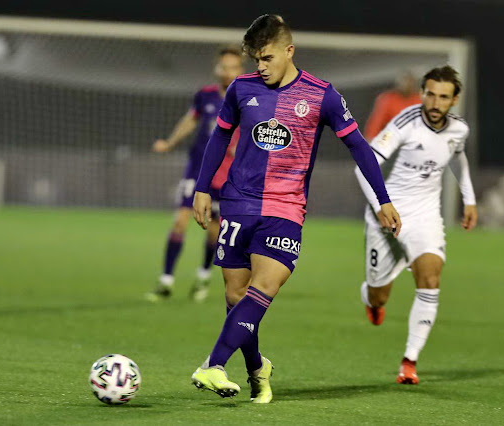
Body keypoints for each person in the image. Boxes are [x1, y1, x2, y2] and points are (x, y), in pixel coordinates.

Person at [190, 14, 401, 403]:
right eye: (256, 59)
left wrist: (383, 198)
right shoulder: (241, 89)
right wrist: (203, 190)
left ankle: (214, 364)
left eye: (267, 58)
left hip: (286, 209)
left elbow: (358, 147)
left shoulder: (322, 95)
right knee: (237, 300)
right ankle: (257, 369)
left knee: (264, 287)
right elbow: (219, 139)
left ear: (290, 51)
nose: (261, 66)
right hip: (238, 204)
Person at [355, 65, 478, 385]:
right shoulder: (405, 122)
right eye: (431, 95)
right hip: (388, 213)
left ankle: (409, 361)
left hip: (425, 216)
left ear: (455, 100)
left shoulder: (458, 130)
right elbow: (364, 165)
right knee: (380, 294)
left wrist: (470, 199)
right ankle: (370, 297)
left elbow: (457, 157)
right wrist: (381, 205)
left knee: (430, 277)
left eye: (444, 97)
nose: (436, 103)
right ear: (422, 94)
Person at [145, 47, 243, 303]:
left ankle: (203, 275)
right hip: (197, 169)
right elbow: (190, 120)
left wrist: (240, 150)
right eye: (224, 66)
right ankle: (166, 281)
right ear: (217, 68)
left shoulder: (246, 97)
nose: (227, 71)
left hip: (224, 175)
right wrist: (170, 142)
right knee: (180, 221)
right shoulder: (205, 95)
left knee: (214, 231)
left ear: (240, 69)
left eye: (233, 67)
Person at [363, 71, 421, 142]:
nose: (406, 85)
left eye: (410, 82)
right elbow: (376, 122)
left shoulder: (419, 99)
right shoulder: (388, 99)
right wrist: (370, 139)